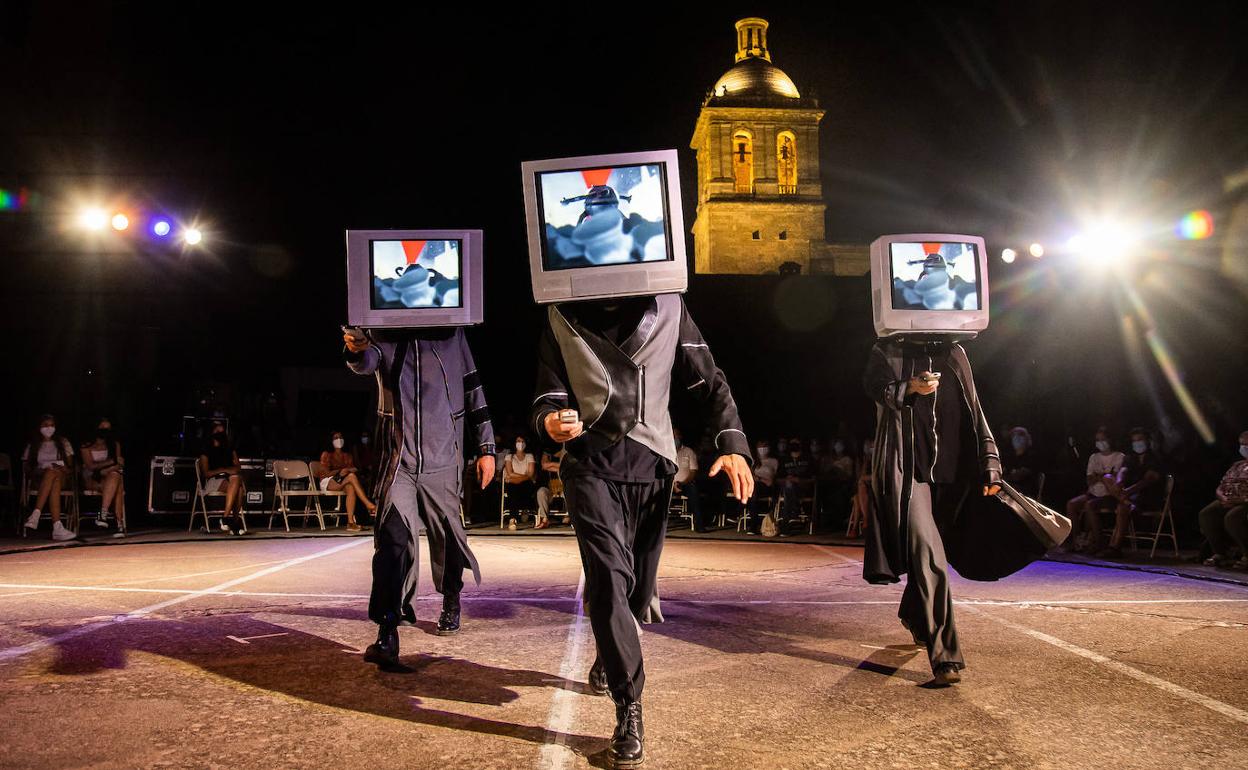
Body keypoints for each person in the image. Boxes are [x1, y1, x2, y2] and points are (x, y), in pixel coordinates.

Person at [532, 293, 753, 768]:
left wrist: (731, 443)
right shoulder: (560, 313)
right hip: (589, 465)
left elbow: (708, 380)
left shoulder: (670, 306)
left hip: (654, 464)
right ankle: (628, 707)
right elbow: (548, 390)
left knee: (637, 590)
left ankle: (610, 650)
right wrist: (551, 420)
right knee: (610, 578)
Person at [343, 326, 495, 668]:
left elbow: (473, 385)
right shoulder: (382, 332)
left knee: (449, 537)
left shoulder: (453, 333)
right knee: (393, 539)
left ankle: (451, 600)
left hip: (444, 455)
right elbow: (367, 363)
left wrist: (487, 446)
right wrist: (357, 348)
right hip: (398, 460)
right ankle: (387, 629)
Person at [863, 338, 1003, 687]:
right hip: (909, 471)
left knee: (934, 554)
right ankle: (945, 657)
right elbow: (875, 388)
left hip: (954, 474)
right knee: (929, 556)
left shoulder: (955, 352)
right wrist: (909, 387)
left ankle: (913, 613)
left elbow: (974, 406)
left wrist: (990, 459)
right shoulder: (887, 350)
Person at [1094, 428, 1165, 557]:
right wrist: (1120, 482)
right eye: (1134, 441)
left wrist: (1127, 492)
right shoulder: (1130, 457)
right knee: (1107, 478)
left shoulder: (1155, 458)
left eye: (1140, 440)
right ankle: (1127, 503)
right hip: (1129, 496)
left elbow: (1147, 481)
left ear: (1148, 441)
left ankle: (1115, 548)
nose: (1137, 443)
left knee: (1122, 507)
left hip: (1148, 496)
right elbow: (1123, 471)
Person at [1063, 427, 1125, 552]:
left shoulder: (1119, 456)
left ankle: (1098, 541)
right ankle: (1077, 539)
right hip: (1093, 492)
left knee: (1089, 505)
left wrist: (1099, 476)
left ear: (1110, 440)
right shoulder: (1094, 457)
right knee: (1071, 504)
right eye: (1098, 440)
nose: (1100, 442)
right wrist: (1102, 475)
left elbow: (1113, 478)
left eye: (1103, 439)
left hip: (1109, 495)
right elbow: (1089, 480)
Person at [22, 414, 77, 541]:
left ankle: (36, 514)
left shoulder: (63, 442)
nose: (49, 428)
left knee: (54, 474)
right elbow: (26, 467)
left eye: (52, 425)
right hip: (40, 479)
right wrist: (40, 469)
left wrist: (63, 468)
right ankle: (57, 528)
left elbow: (70, 468)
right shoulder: (33, 444)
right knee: (52, 476)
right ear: (39, 427)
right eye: (45, 425)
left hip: (62, 476)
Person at [1198, 431, 1248, 569]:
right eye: (1242, 444)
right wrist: (1223, 497)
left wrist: (1239, 501)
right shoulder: (1237, 466)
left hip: (1244, 502)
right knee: (1207, 514)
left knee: (1232, 518)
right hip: (1228, 500)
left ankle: (1246, 555)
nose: (1244, 448)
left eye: (1247, 444)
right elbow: (1222, 485)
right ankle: (1220, 553)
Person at [316, 430, 377, 532]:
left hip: (343, 480)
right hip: (328, 481)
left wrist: (347, 471)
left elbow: (354, 468)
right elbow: (325, 473)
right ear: (331, 441)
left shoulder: (347, 455)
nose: (339, 440)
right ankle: (369, 505)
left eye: (340, 437)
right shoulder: (326, 454)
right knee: (352, 477)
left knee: (351, 487)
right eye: (336, 438)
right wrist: (340, 471)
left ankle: (350, 523)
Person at [81, 418, 127, 537]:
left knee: (115, 477)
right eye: (102, 428)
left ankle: (103, 514)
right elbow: (90, 466)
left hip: (109, 475)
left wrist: (106, 470)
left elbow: (119, 463)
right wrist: (109, 462)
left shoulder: (114, 444)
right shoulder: (86, 446)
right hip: (92, 478)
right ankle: (119, 524)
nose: (105, 431)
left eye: (108, 429)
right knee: (117, 485)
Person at [198, 422, 245, 535]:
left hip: (230, 480)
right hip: (213, 480)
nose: (220, 434)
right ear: (212, 433)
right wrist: (223, 470)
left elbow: (238, 467)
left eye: (222, 432)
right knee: (239, 488)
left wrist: (229, 471)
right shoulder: (206, 450)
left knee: (237, 481)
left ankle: (225, 518)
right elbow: (206, 473)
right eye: (217, 432)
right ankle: (234, 522)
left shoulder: (229, 448)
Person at [672, 428, 706, 531]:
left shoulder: (688, 451)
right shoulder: (666, 452)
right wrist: (672, 484)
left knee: (693, 489)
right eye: (672, 436)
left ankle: (699, 525)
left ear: (680, 437)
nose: (674, 438)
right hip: (669, 484)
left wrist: (682, 483)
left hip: (685, 483)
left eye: (676, 436)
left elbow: (693, 472)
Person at [778, 437, 813, 530]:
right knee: (789, 487)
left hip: (803, 488)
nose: (794, 446)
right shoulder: (784, 460)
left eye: (796, 443)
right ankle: (793, 513)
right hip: (788, 488)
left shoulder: (808, 459)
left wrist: (799, 480)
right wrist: (787, 479)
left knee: (789, 492)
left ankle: (787, 522)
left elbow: (813, 478)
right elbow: (778, 479)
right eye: (792, 444)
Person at [1001, 426, 1044, 499]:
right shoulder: (1011, 458)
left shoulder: (1032, 456)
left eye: (1020, 435)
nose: (1016, 437)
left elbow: (1019, 476)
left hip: (1027, 496)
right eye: (1014, 435)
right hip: (1011, 494)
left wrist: (1009, 477)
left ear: (1027, 438)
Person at [503, 436, 538, 521]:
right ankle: (513, 518)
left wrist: (517, 478)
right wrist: (525, 477)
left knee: (526, 487)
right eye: (518, 441)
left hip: (525, 483)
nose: (520, 443)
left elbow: (531, 473)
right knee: (513, 490)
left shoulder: (529, 456)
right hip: (513, 483)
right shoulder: (509, 456)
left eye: (523, 441)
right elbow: (510, 473)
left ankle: (525, 510)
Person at [535, 448, 566, 529]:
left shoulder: (565, 452)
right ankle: (545, 519)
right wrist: (557, 466)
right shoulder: (547, 453)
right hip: (551, 490)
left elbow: (564, 466)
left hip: (563, 487)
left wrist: (551, 465)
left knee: (569, 491)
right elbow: (544, 465)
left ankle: (569, 516)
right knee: (541, 492)